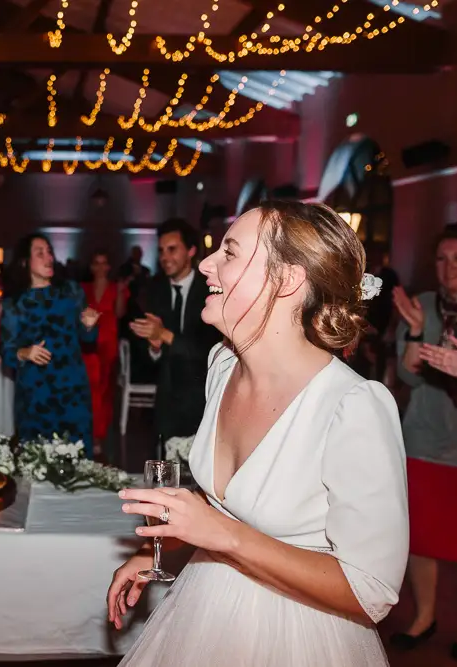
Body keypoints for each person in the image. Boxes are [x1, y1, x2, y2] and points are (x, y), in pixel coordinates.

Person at [108, 201, 408, 666]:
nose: (206, 263)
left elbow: (370, 591)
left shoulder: (352, 406)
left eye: (229, 252)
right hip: (204, 608)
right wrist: (163, 549)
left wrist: (222, 536)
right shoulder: (222, 366)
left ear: (287, 280)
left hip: (299, 636)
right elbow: (237, 502)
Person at [389, 222, 457, 660]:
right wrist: (413, 331)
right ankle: (424, 617)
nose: (448, 268)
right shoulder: (422, 304)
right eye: (441, 259)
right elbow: (408, 375)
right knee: (420, 539)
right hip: (422, 438)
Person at [128, 219, 221, 459]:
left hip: (204, 396)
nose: (164, 256)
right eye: (160, 251)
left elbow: (210, 349)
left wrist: (165, 335)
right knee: (164, 473)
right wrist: (153, 347)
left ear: (191, 251)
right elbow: (143, 356)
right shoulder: (153, 290)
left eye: (172, 249)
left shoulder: (211, 290)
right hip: (167, 396)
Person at [0, 234, 100, 455]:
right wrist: (25, 352)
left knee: (78, 459)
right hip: (35, 395)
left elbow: (89, 341)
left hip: (72, 390)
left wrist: (89, 325)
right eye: (40, 253)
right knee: (38, 462)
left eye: (49, 252)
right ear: (25, 261)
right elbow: (6, 352)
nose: (48, 257)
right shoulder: (14, 303)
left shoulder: (71, 292)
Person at [81, 250, 127, 456]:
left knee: (105, 391)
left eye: (104, 263)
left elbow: (119, 313)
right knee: (90, 390)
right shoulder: (83, 289)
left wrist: (119, 292)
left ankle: (99, 435)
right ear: (91, 267)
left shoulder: (116, 288)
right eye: (96, 263)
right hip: (89, 345)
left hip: (108, 342)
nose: (100, 267)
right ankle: (89, 433)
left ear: (108, 267)